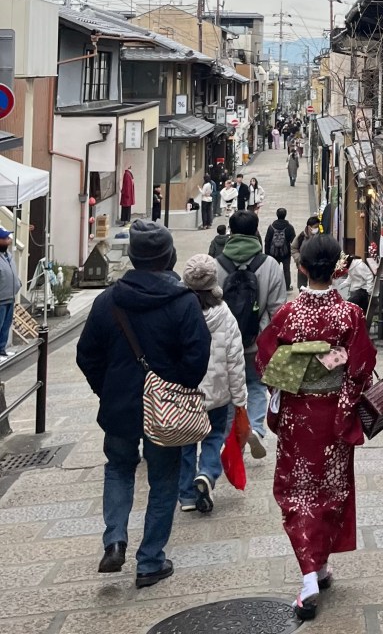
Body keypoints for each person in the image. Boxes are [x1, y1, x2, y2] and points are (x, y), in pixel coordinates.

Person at [76, 221, 211, 589]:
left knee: (119, 469)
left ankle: (115, 538)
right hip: (166, 411)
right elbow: (198, 356)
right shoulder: (183, 302)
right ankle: (150, 561)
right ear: (169, 256)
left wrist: (107, 389)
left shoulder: (108, 301)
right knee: (164, 480)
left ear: (134, 257)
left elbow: (87, 354)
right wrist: (177, 387)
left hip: (119, 406)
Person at [256, 234, 376, 620]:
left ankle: (310, 574)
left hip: (298, 414)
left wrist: (296, 367)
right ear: (337, 267)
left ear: (303, 268)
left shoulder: (289, 314)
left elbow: (266, 361)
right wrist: (342, 400)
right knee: (330, 490)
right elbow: (360, 367)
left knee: (298, 491)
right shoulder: (350, 315)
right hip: (334, 416)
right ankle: (318, 566)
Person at [179, 254, 249, 514]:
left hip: (186, 391)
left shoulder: (179, 312)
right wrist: (240, 397)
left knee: (185, 443)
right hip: (218, 391)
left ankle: (186, 495)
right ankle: (207, 472)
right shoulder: (224, 314)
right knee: (214, 434)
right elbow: (235, 358)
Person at [216, 209, 287, 458]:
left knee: (226, 390)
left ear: (231, 232)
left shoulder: (216, 264)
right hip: (258, 340)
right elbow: (278, 309)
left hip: (224, 342)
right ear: (256, 231)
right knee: (256, 385)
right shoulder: (270, 265)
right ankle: (256, 428)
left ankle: (228, 436)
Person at [265, 208, 297, 291]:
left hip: (273, 253)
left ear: (277, 214)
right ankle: (287, 286)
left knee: (273, 271)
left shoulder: (271, 227)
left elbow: (267, 241)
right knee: (286, 270)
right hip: (285, 253)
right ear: (285, 215)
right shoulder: (289, 227)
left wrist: (267, 253)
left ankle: (273, 286)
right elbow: (293, 241)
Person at [0, 227, 20, 357]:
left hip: (10, 297)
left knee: (6, 327)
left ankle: (1, 349)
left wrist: (18, 284)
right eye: (5, 238)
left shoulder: (9, 256)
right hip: (1, 298)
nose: (8, 240)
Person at [291, 216, 320, 289]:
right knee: (302, 286)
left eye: (318, 226)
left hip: (315, 266)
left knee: (315, 285)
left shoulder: (320, 237)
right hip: (302, 265)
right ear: (309, 227)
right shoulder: (301, 237)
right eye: (315, 227)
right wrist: (298, 259)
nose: (317, 229)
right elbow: (293, 248)